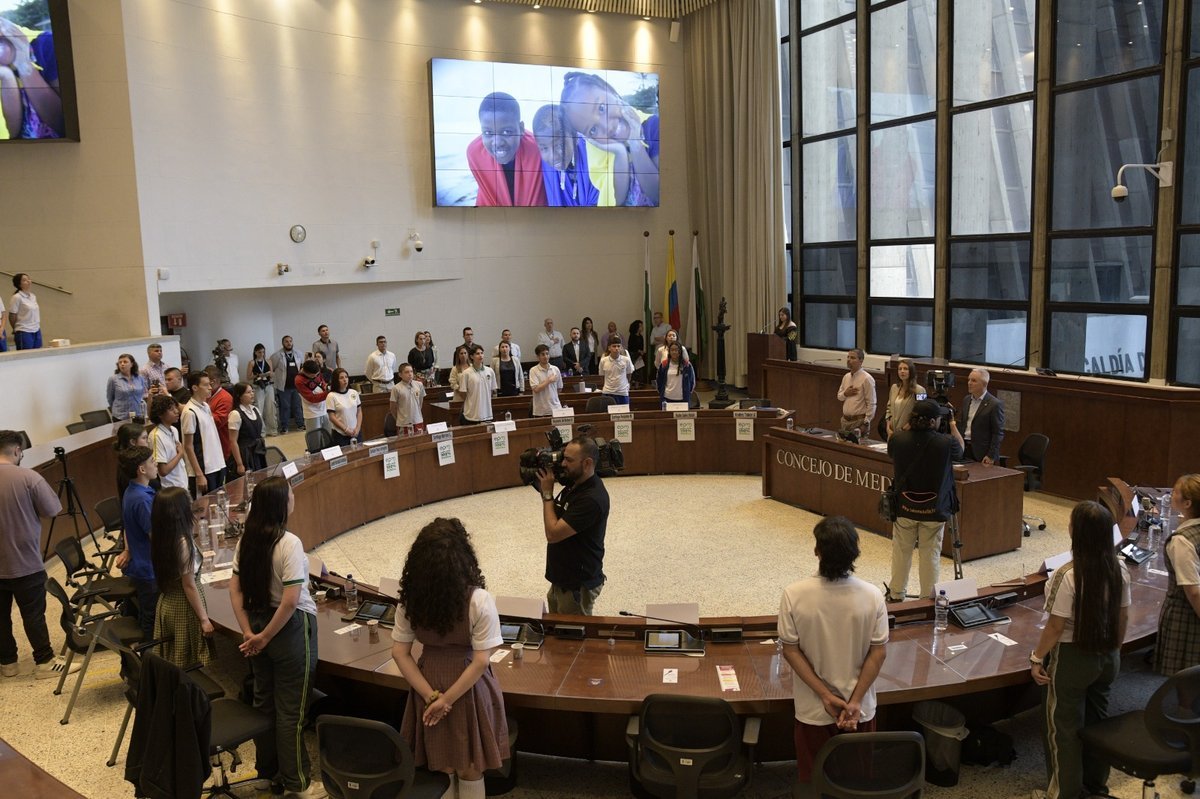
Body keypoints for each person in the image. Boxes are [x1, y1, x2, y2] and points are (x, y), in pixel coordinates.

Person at [390, 518, 510, 799]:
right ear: (463, 559)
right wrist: (447, 700)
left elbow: (399, 653)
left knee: (442, 766)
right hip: (467, 687)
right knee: (470, 767)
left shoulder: (409, 600)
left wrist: (432, 697)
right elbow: (481, 660)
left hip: (427, 682)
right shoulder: (478, 600)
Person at [1030, 501, 1131, 799]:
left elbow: (1055, 628)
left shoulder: (1067, 575)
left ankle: (1065, 793)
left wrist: (1036, 659)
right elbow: (1123, 616)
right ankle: (1096, 785)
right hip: (1108, 655)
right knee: (1100, 724)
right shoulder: (1120, 568)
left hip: (1073, 659)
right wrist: (1116, 651)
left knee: (1063, 728)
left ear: (1077, 533)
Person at [228, 476, 320, 799]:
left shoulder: (245, 541)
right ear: (281, 505)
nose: (294, 497)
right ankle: (298, 784)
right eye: (290, 494)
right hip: (289, 630)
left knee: (264, 704)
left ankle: (268, 773)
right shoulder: (288, 543)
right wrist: (265, 637)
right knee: (292, 713)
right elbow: (292, 599)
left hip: (257, 625)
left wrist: (249, 632)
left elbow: (235, 589)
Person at [778, 515, 888, 785]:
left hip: (814, 710)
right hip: (858, 711)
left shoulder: (794, 594)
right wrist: (855, 702)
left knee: (815, 780)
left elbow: (791, 651)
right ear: (856, 552)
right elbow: (878, 653)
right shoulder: (873, 595)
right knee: (858, 781)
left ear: (817, 551)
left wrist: (827, 696)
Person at [0, 430, 67, 679]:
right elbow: (52, 510)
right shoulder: (29, 478)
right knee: (33, 614)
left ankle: (7, 663)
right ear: (17, 450)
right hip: (25, 562)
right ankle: (45, 661)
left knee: (1, 617)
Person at [885, 398, 964, 602]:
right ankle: (927, 599)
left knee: (901, 552)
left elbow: (893, 447)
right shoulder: (946, 443)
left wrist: (907, 425)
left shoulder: (897, 440)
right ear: (933, 421)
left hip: (904, 506)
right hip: (934, 508)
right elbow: (961, 449)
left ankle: (896, 594)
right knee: (930, 554)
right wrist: (953, 424)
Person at [561, 71, 659, 205]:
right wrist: (620, 152)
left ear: (610, 90)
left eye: (602, 108)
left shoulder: (652, 127)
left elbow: (657, 194)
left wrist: (635, 143)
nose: (607, 127)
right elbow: (616, 201)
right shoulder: (600, 157)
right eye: (593, 130)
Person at [537, 436, 611, 615]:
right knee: (556, 633)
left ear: (587, 463)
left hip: (577, 585)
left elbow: (553, 533)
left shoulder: (592, 499)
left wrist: (547, 494)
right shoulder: (576, 483)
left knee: (572, 639)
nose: (562, 464)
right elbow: (557, 512)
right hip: (562, 579)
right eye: (563, 457)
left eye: (569, 460)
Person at [150, 487, 215, 668]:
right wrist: (204, 619)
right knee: (184, 660)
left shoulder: (160, 534)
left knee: (173, 655)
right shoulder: (183, 543)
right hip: (183, 606)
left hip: (167, 602)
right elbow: (189, 585)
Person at [532, 102, 626, 206]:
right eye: (544, 148)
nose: (553, 156)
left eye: (559, 145)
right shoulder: (547, 167)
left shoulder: (595, 154)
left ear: (575, 137)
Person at [466, 92, 547, 207]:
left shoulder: (539, 148)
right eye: (488, 133)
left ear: (521, 129)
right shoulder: (474, 152)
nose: (497, 142)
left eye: (506, 132)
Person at [1155, 473, 1200, 676]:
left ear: (1187, 503)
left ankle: (1183, 708)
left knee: (1186, 676)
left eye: (1175, 492)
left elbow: (1193, 591)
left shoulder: (1182, 541)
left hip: (1187, 615)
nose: (1170, 495)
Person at [116, 446, 158, 639]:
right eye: (152, 461)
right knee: (151, 616)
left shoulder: (134, 491)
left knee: (148, 612)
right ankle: (150, 657)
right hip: (149, 568)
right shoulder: (141, 500)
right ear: (142, 469)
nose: (156, 464)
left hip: (144, 563)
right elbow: (155, 536)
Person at [181, 371, 225, 497]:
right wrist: (199, 474)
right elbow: (188, 446)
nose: (210, 388)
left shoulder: (205, 405)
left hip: (217, 464)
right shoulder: (189, 412)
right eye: (206, 385)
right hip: (203, 469)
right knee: (204, 510)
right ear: (195, 388)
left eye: (210, 384)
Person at [957, 368, 1005, 465]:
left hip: (981, 452)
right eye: (969, 380)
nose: (969, 383)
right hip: (963, 448)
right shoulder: (966, 400)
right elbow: (962, 424)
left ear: (984, 384)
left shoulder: (994, 404)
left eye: (974, 380)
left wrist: (991, 455)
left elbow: (998, 433)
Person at [148, 393, 187, 489]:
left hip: (182, 484)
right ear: (160, 414)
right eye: (171, 409)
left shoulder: (174, 429)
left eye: (175, 408)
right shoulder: (156, 436)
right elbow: (163, 471)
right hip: (170, 488)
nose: (176, 411)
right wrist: (180, 454)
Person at [228, 382, 267, 475]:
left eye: (252, 391)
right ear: (239, 396)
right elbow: (233, 441)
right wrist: (240, 464)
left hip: (257, 451)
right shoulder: (235, 414)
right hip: (244, 453)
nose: (252, 394)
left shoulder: (255, 410)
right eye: (248, 392)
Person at [836, 348, 876, 439]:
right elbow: (839, 397)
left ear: (861, 360)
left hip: (859, 422)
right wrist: (845, 394)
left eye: (853, 358)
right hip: (845, 421)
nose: (849, 360)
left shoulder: (867, 378)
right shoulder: (846, 377)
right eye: (848, 357)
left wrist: (866, 423)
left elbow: (872, 403)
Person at [269, 335, 303, 434]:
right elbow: (272, 369)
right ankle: (285, 426)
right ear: (283, 343)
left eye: (290, 341)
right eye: (286, 341)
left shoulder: (298, 353)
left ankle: (300, 424)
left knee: (297, 406)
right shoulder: (276, 355)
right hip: (283, 387)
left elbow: (301, 366)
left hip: (297, 386)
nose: (289, 343)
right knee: (285, 407)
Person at [885, 359, 925, 438]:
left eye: (905, 369)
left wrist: (906, 428)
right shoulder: (894, 388)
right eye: (900, 369)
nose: (902, 371)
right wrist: (888, 427)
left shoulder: (920, 390)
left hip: (909, 433)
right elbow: (889, 409)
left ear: (911, 371)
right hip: (892, 432)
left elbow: (922, 413)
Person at [247, 343, 279, 437]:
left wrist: (269, 374)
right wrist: (259, 375)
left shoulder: (268, 361)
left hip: (268, 386)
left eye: (263, 352)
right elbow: (248, 377)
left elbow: (272, 374)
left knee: (271, 408)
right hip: (258, 387)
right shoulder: (252, 362)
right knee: (259, 408)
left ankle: (272, 429)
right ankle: (261, 431)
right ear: (255, 352)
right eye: (259, 352)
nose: (262, 354)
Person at [205, 365, 234, 465]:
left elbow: (218, 421)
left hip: (222, 445)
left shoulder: (225, 397)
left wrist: (200, 412)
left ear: (212, 381)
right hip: (210, 445)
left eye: (205, 382)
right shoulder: (208, 394)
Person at [459, 346, 496, 425]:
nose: (481, 356)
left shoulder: (490, 371)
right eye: (477, 354)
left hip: (487, 413)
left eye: (482, 353)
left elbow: (492, 390)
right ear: (472, 356)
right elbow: (463, 393)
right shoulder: (466, 373)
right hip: (471, 414)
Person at [114, 421, 151, 499]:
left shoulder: (134, 461)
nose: (148, 441)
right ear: (133, 442)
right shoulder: (129, 466)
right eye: (144, 438)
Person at [325, 368, 362, 446]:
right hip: (340, 434)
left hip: (356, 432)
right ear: (336, 380)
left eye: (346, 377)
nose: (345, 380)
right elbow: (332, 417)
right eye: (341, 378)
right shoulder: (331, 396)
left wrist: (358, 428)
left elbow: (359, 412)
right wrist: (345, 429)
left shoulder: (354, 392)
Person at [294, 359, 331, 435]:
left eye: (317, 374)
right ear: (306, 372)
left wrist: (327, 388)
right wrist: (328, 393)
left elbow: (322, 383)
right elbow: (312, 398)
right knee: (315, 439)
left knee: (328, 436)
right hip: (312, 413)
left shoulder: (316, 371)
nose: (316, 376)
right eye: (314, 375)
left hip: (324, 410)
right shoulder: (299, 380)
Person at [107, 353, 148, 421]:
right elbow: (110, 398)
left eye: (125, 362)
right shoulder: (113, 379)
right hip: (121, 416)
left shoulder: (139, 378)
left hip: (138, 414)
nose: (122, 364)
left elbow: (142, 394)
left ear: (132, 364)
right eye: (120, 362)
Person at [389, 363, 426, 434]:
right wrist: (399, 419)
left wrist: (417, 413)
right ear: (400, 375)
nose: (410, 374)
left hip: (418, 420)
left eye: (411, 371)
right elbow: (392, 407)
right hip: (403, 423)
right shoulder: (396, 388)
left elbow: (420, 402)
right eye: (406, 372)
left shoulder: (419, 385)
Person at [656, 341, 696, 406]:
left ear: (680, 351)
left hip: (683, 398)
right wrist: (662, 393)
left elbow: (692, 381)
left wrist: (688, 392)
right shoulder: (664, 364)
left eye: (676, 350)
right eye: (672, 350)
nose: (674, 352)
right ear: (669, 351)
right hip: (667, 397)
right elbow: (659, 380)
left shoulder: (687, 365)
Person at [7, 273, 41, 350]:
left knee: (38, 354)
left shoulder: (33, 296)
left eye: (29, 279)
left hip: (36, 329)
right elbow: (12, 315)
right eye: (25, 280)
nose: (28, 281)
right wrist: (15, 328)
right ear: (19, 284)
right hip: (24, 330)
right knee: (26, 355)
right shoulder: (17, 297)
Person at [529, 344, 564, 417]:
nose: (546, 356)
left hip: (555, 407)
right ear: (538, 357)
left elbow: (559, 388)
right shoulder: (533, 370)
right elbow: (536, 389)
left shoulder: (555, 369)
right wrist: (548, 381)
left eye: (547, 354)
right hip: (541, 410)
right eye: (543, 354)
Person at [598, 336, 634, 405]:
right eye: (614, 346)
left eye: (618, 346)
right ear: (609, 348)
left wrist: (624, 385)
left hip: (622, 393)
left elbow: (629, 374)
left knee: (624, 414)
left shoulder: (626, 360)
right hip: (607, 393)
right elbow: (602, 376)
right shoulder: (603, 361)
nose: (616, 348)